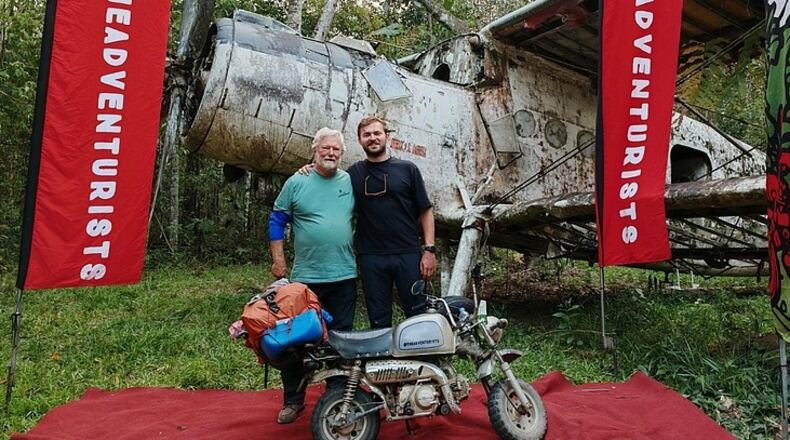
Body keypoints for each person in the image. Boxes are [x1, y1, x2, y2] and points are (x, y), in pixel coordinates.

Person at [268, 127, 356, 424]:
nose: (331, 153)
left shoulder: (349, 181)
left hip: (344, 275)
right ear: (314, 151)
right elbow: (277, 221)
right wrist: (278, 261)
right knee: (295, 340)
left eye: (336, 150)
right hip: (306, 278)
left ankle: (338, 395)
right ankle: (293, 400)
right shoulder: (297, 181)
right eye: (325, 149)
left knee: (341, 338)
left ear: (342, 154)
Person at [349, 117, 437, 328]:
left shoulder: (408, 169)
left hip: (408, 254)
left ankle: (425, 359)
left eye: (377, 133)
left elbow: (426, 210)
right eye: (367, 135)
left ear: (387, 136)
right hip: (371, 257)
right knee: (379, 319)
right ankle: (385, 360)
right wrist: (307, 169)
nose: (372, 138)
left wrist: (429, 250)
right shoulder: (353, 173)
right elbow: (327, 178)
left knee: (418, 315)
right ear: (360, 140)